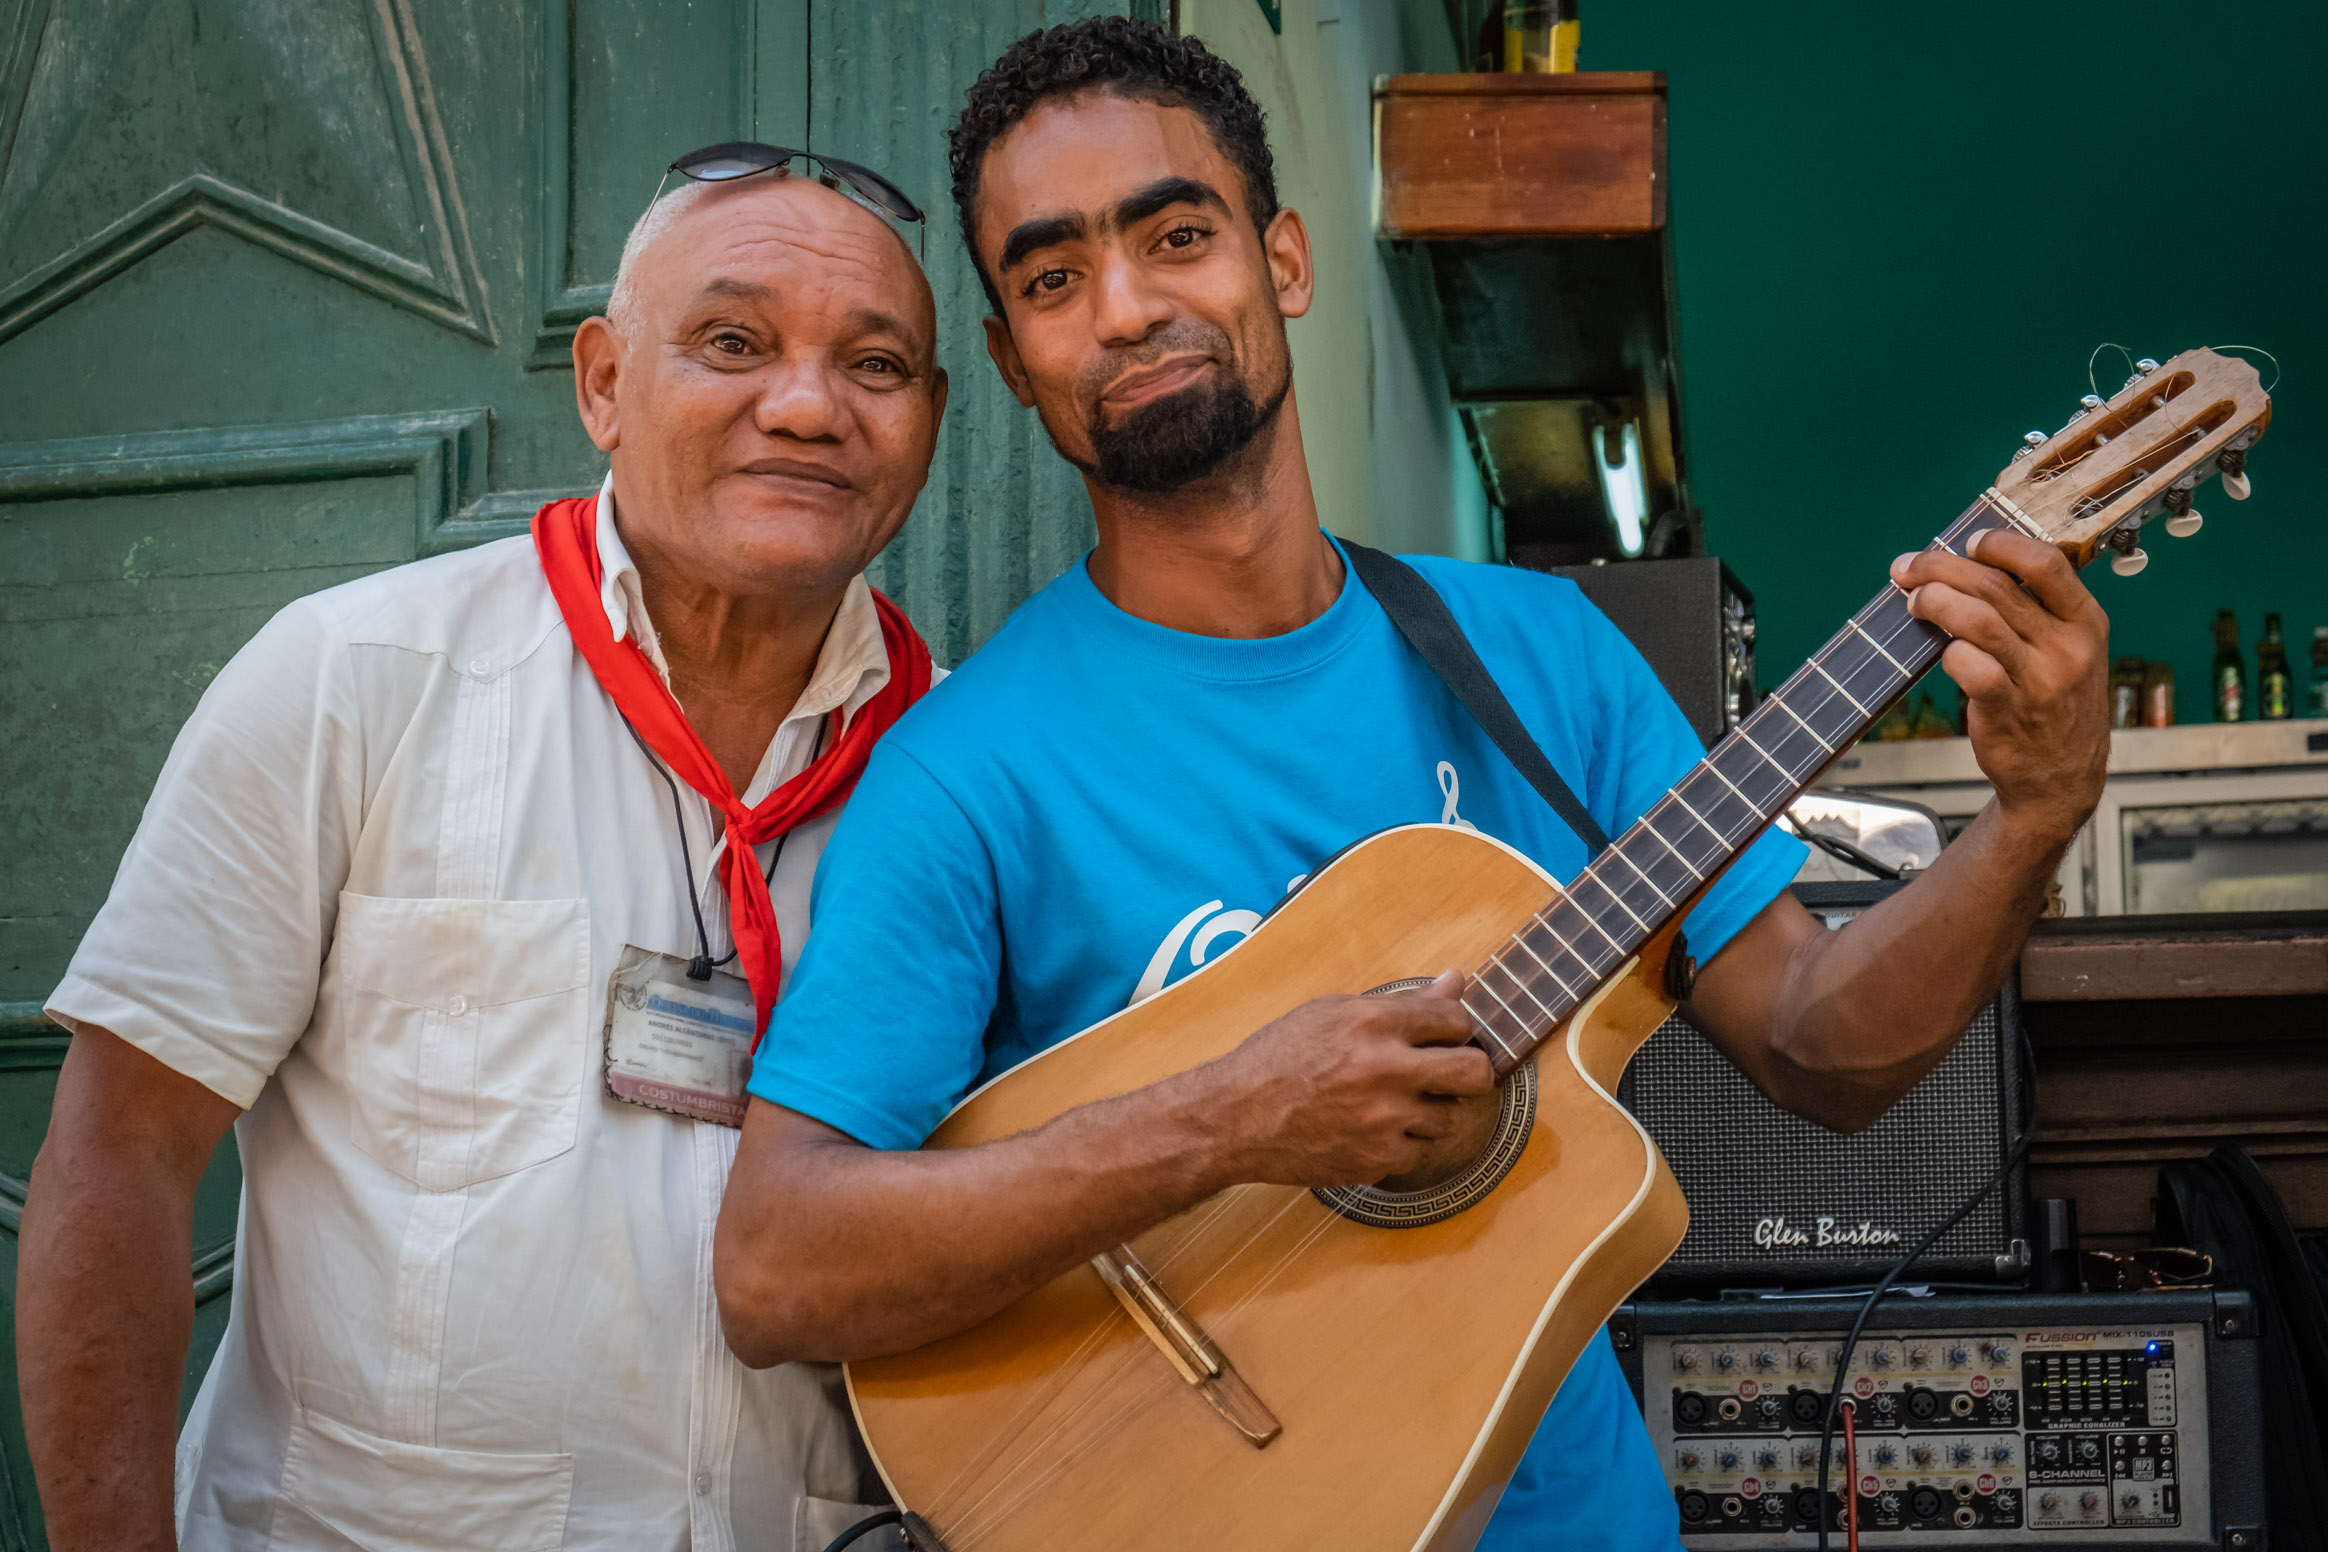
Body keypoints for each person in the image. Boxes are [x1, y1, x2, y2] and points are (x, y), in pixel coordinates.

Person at [714, 18, 2108, 1550]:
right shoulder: (966, 773)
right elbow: (782, 1265)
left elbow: (1817, 1050)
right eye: (1051, 279)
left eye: (1177, 236)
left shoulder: (1539, 661)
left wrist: (2032, 816)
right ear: (1008, 356)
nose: (1124, 310)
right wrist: (1234, 1121)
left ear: (1284, 261)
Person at [20, 162, 946, 1552]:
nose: (808, 406)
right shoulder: (356, 679)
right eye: (734, 343)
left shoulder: (958, 766)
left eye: (873, 364)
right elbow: (120, 1155)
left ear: (928, 423)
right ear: (601, 385)